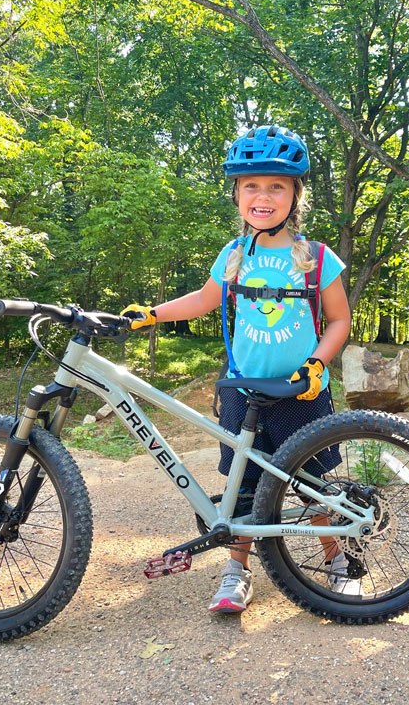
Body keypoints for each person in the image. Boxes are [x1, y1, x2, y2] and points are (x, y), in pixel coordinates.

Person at [121, 124, 358, 613]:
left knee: (315, 488)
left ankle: (337, 561)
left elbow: (339, 320)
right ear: (236, 194)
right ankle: (236, 572)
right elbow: (203, 300)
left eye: (276, 186)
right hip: (243, 390)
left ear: (296, 195)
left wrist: (317, 363)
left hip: (302, 391)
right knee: (241, 489)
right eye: (251, 185)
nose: (263, 196)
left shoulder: (317, 258)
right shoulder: (234, 255)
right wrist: (151, 313)